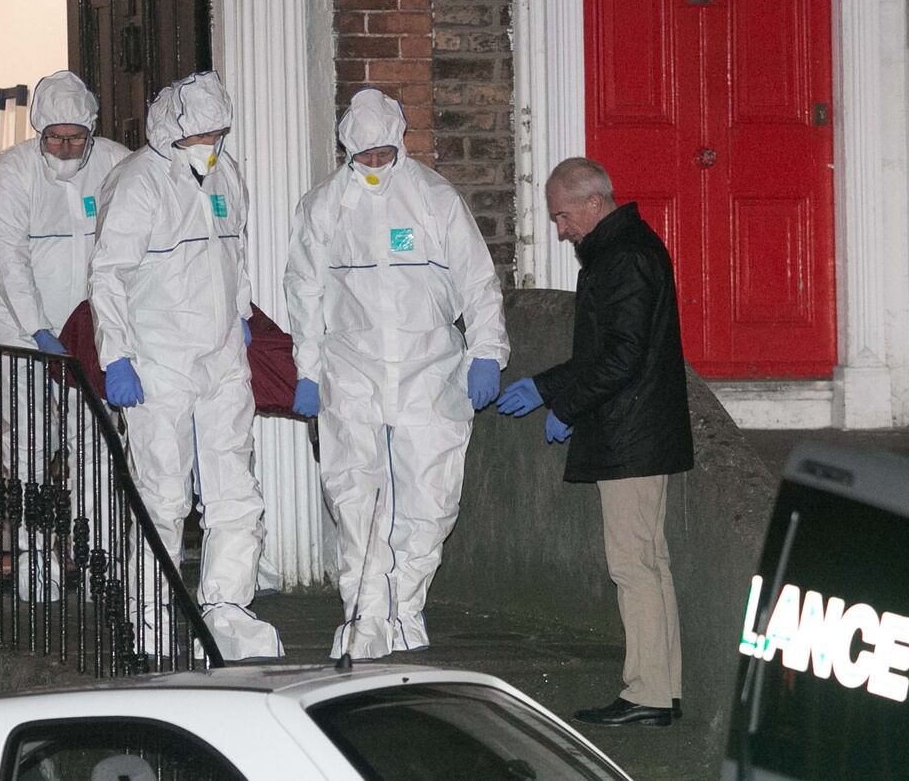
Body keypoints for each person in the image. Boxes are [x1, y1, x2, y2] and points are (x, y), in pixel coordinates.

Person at [284, 88, 509, 661]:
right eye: (365, 158)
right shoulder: (323, 206)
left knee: (430, 499)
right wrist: (308, 371)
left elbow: (476, 279)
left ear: (400, 144)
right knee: (354, 495)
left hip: (428, 369)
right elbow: (304, 293)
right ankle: (364, 617)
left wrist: (487, 351)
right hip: (352, 371)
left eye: (385, 155)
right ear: (346, 152)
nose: (376, 167)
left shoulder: (434, 198)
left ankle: (405, 610)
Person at [88, 71, 283, 661]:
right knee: (162, 494)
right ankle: (149, 617)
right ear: (171, 131)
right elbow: (109, 275)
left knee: (235, 491)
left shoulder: (225, 172)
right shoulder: (139, 183)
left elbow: (236, 248)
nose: (211, 145)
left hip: (221, 352)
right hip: (159, 358)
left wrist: (243, 311)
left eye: (219, 133)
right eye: (200, 135)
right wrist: (116, 356)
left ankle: (226, 607)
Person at [496, 157, 693, 727]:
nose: (560, 229)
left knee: (633, 565)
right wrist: (554, 390)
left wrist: (561, 399)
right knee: (650, 563)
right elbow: (616, 353)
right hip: (641, 430)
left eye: (562, 216)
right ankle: (662, 688)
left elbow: (619, 358)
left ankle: (647, 694)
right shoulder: (627, 248)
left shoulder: (622, 256)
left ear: (592, 202)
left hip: (631, 434)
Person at [0, 70, 130, 602]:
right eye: (54, 138)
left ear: (91, 130)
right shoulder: (9, 173)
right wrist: (39, 330)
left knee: (95, 446)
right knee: (29, 445)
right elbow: (9, 258)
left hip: (89, 330)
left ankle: (94, 559)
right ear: (39, 132)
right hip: (18, 328)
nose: (65, 148)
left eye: (75, 138)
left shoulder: (116, 163)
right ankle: (34, 558)